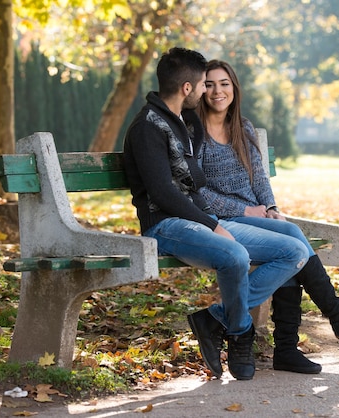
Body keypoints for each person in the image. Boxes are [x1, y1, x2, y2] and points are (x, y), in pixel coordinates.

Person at [123, 47, 312, 381]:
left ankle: (214, 319)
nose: (206, 92)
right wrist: (213, 224)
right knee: (235, 256)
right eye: (201, 85)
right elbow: (163, 194)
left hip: (201, 220)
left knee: (294, 250)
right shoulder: (148, 127)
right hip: (165, 226)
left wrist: (218, 220)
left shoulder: (181, 120)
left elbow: (196, 184)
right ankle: (240, 335)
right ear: (187, 89)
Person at [197, 59, 339, 375]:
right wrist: (244, 210)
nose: (217, 91)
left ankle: (293, 344)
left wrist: (272, 209)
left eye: (224, 83)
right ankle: (326, 325)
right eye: (209, 84)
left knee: (288, 233)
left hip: (254, 216)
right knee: (292, 243)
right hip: (220, 220)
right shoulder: (194, 131)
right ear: (200, 89)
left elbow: (260, 178)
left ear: (234, 88)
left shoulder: (243, 127)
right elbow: (195, 190)